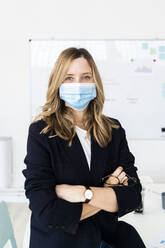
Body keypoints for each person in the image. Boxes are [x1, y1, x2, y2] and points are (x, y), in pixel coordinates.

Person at [22, 47, 146, 248]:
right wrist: (108, 193)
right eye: (69, 78)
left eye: (86, 77)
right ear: (58, 84)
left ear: (95, 82)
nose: (77, 84)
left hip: (107, 237)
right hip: (60, 241)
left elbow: (132, 196)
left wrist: (84, 193)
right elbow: (45, 209)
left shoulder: (113, 130)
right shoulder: (42, 133)